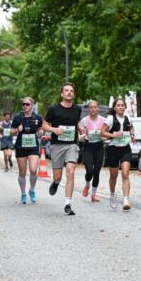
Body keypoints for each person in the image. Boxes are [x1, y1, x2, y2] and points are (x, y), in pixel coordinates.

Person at [42, 83, 82, 216]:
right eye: (66, 90)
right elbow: (44, 124)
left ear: (73, 94)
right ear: (62, 94)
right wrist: (54, 130)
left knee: (70, 171)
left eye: (71, 91)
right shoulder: (54, 109)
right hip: (57, 145)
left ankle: (68, 204)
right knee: (58, 176)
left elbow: (76, 122)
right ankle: (56, 182)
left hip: (72, 144)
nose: (69, 92)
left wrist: (80, 128)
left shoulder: (77, 109)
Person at [102, 98, 135, 211]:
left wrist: (132, 135)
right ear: (115, 108)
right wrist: (114, 135)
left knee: (125, 174)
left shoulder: (128, 118)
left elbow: (131, 128)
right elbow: (103, 132)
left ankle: (126, 199)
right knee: (114, 176)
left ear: (125, 107)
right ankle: (112, 194)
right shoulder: (110, 118)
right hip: (113, 149)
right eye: (118, 105)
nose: (121, 107)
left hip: (125, 148)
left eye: (122, 105)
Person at [12, 97, 43, 204]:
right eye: (23, 104)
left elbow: (40, 128)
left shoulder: (38, 117)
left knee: (33, 169)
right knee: (22, 172)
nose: (25, 106)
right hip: (21, 147)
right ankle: (23, 193)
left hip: (33, 146)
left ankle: (32, 190)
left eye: (27, 104)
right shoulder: (17, 117)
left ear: (32, 105)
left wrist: (41, 132)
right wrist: (17, 130)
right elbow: (11, 132)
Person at [79, 100, 106, 201]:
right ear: (88, 109)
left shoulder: (104, 120)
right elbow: (80, 138)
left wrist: (104, 138)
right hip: (88, 147)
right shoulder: (84, 121)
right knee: (89, 170)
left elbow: (107, 134)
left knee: (97, 171)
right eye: (91, 107)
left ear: (98, 108)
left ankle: (93, 194)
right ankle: (87, 184)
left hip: (99, 147)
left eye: (95, 107)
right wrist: (83, 134)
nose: (93, 109)